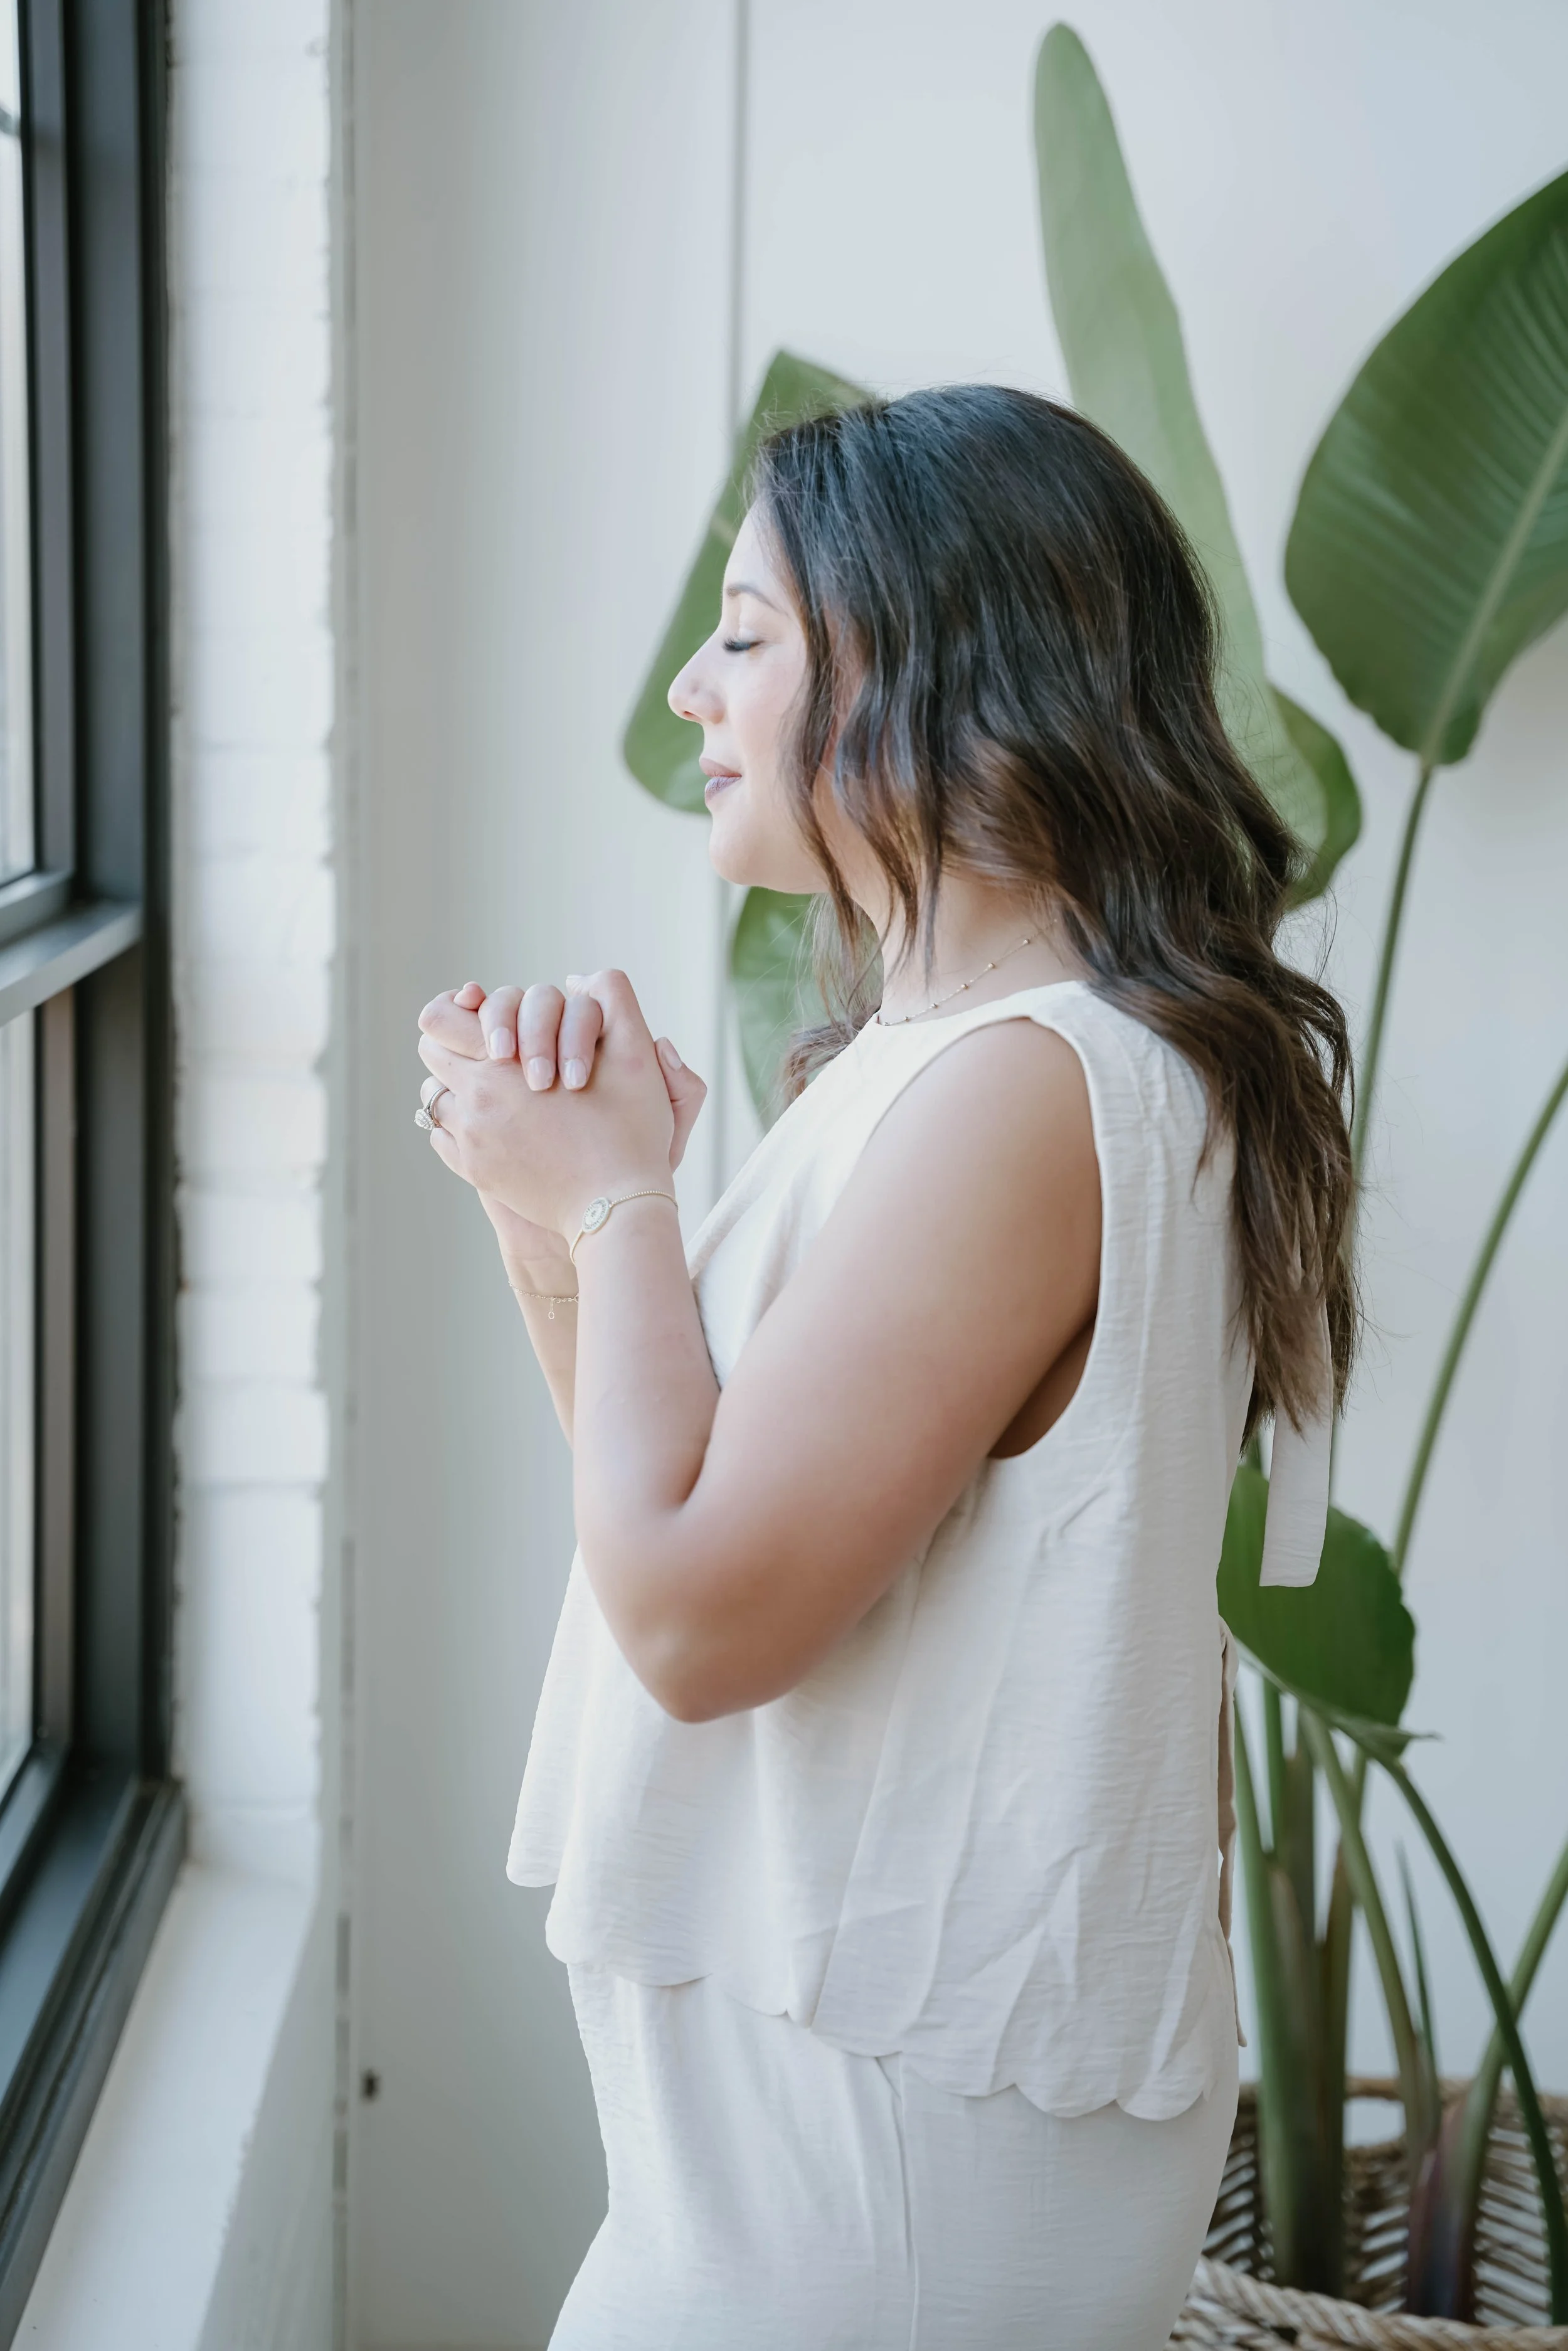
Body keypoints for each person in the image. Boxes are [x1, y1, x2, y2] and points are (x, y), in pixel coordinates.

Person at [413, 385, 1355, 2351]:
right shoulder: (975, 1060)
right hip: (848, 2128)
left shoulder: (1027, 1088)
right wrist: (563, 1210)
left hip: (882, 2174)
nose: (691, 685)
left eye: (746, 633)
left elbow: (696, 1623)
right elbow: (696, 1507)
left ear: (949, 674)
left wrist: (620, 1214)